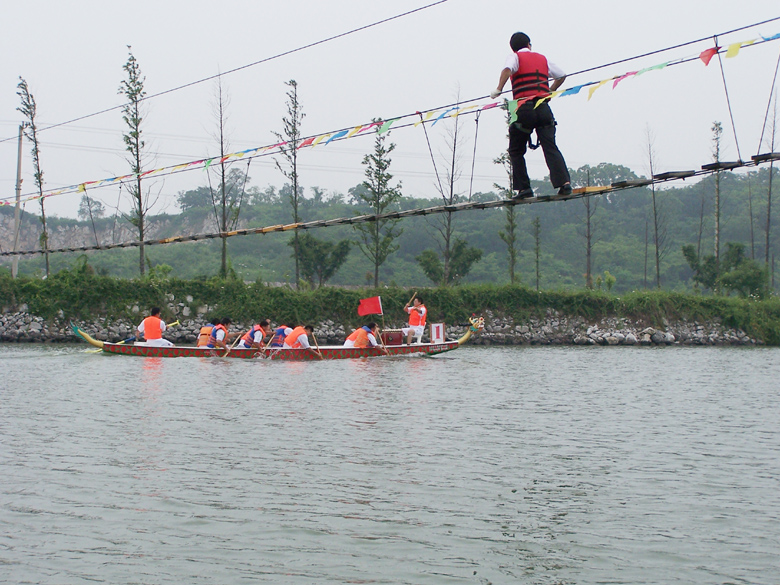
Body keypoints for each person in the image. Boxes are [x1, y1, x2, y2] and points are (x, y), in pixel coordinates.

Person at [490, 32, 572, 199]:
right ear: (529, 44)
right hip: (543, 108)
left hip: (524, 109)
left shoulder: (515, 57)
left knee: (516, 150)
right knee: (550, 146)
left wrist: (499, 89)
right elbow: (562, 75)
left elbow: (507, 69)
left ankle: (524, 189)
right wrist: (550, 92)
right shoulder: (542, 59)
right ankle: (564, 183)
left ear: (513, 48)